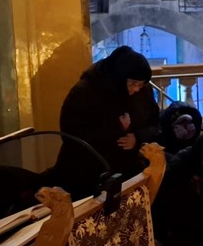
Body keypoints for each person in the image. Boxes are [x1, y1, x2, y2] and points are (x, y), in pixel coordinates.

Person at [53, 45, 160, 199]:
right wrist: (116, 128)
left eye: (141, 84)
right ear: (120, 77)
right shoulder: (84, 92)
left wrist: (137, 138)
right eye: (133, 84)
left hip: (128, 171)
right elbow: (73, 136)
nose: (137, 89)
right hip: (87, 174)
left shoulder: (143, 91)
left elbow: (154, 125)